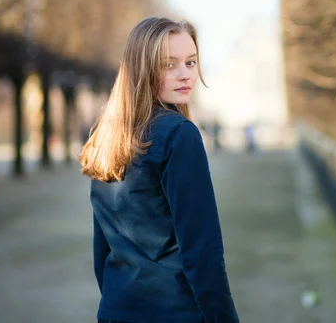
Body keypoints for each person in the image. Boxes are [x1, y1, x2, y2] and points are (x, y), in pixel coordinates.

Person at [79, 17, 240, 323]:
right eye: (169, 65)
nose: (185, 75)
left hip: (116, 311)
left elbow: (103, 251)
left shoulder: (106, 139)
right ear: (143, 68)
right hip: (174, 312)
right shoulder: (180, 134)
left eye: (191, 62)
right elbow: (202, 253)